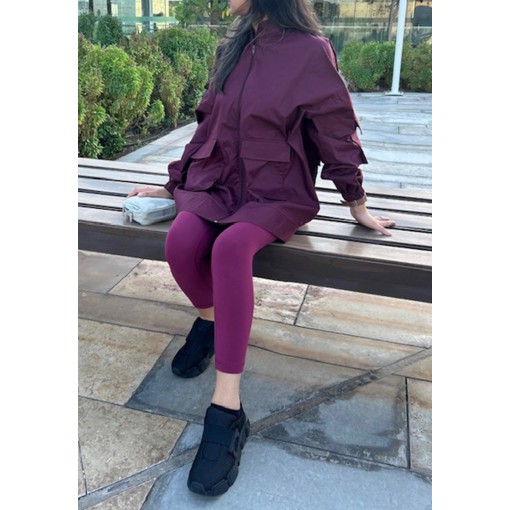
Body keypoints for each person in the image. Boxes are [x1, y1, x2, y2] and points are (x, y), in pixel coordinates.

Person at [128, 0, 395, 497]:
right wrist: (173, 183)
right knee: (181, 243)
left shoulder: (311, 51)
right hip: (218, 182)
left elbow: (335, 129)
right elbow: (207, 126)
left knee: (230, 249)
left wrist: (355, 201)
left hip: (277, 190)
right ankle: (210, 320)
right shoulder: (233, 46)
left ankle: (227, 408)